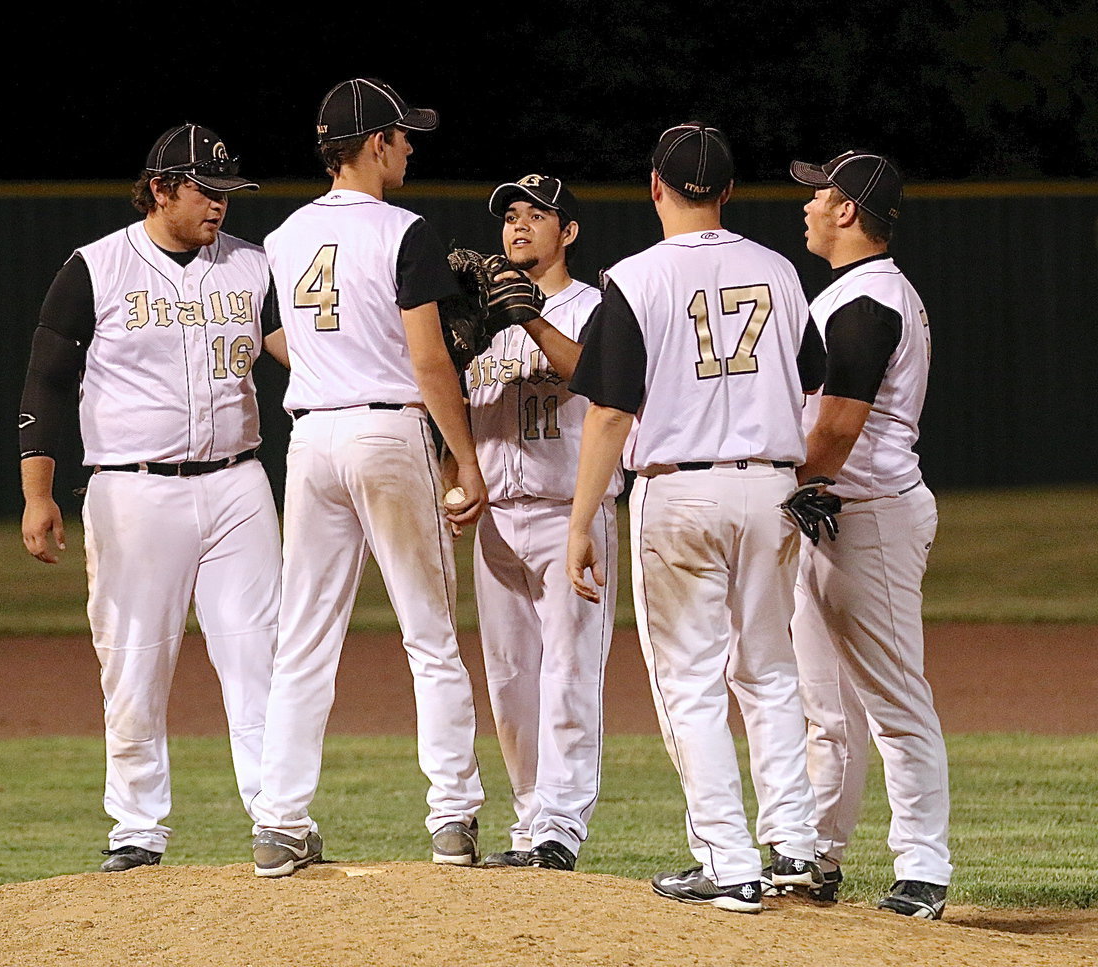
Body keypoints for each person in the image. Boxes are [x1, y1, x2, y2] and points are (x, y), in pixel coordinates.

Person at [565, 123, 827, 913]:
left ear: (654, 186)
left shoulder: (636, 279)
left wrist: (581, 522)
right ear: (730, 193)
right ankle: (796, 848)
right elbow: (812, 377)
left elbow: (611, 414)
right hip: (772, 487)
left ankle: (728, 859)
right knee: (771, 671)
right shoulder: (779, 270)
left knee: (689, 680)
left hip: (680, 490)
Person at [18, 123, 285, 871]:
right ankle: (137, 828)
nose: (221, 206)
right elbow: (45, 382)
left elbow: (302, 352)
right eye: (207, 190)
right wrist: (39, 493)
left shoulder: (253, 268)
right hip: (133, 489)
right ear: (161, 187)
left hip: (238, 483)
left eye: (228, 192)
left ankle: (279, 815)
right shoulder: (96, 268)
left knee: (258, 654)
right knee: (133, 662)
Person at [250, 78, 488, 877]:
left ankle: (280, 823)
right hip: (388, 430)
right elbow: (428, 361)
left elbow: (275, 336)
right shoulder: (405, 231)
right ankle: (452, 816)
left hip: (311, 435)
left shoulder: (281, 237)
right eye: (402, 136)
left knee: (304, 638)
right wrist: (466, 454)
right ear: (375, 145)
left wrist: (331, 361)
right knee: (429, 633)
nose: (411, 147)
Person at [788, 150, 950, 919]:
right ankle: (819, 853)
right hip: (837, 511)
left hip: (869, 513)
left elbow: (840, 425)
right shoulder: (859, 293)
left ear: (849, 210)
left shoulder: (866, 300)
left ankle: (923, 864)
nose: (810, 204)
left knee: (892, 698)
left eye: (820, 193)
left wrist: (792, 485)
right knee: (827, 707)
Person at [466, 175, 621, 872]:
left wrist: (529, 318)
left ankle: (561, 824)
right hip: (498, 517)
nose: (520, 225)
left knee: (568, 673)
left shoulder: (597, 306)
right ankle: (530, 819)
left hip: (571, 515)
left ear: (571, 232)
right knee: (508, 680)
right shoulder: (480, 311)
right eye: (511, 216)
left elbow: (599, 378)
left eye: (538, 214)